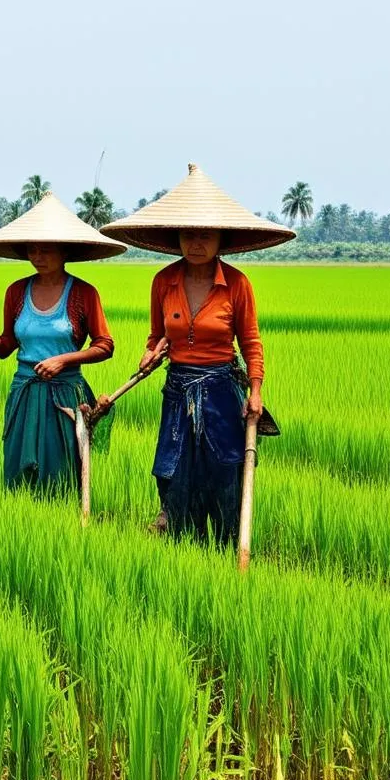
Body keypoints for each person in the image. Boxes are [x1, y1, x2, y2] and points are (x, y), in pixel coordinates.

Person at [97, 163, 295, 544]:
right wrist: (149, 353)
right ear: (177, 238)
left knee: (224, 472)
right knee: (172, 472)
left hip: (221, 392)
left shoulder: (236, 284)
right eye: (189, 234)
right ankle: (183, 547)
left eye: (205, 234)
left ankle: (224, 549)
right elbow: (157, 335)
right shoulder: (163, 281)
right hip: (177, 392)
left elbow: (251, 342)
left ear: (222, 238)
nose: (196, 242)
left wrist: (255, 391)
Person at [0, 193, 127, 494]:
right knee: (18, 470)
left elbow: (105, 345)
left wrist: (63, 360)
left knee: (60, 471)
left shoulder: (82, 293)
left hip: (65, 396)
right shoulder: (16, 291)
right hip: (24, 393)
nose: (38, 256)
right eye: (33, 250)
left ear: (65, 252)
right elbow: (5, 347)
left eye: (46, 250)